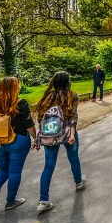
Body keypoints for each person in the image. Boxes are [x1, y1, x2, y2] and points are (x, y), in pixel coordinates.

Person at [35, 72, 86, 213]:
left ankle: (43, 200)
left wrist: (39, 137)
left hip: (50, 134)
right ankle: (78, 182)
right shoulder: (72, 95)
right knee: (73, 158)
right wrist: (72, 133)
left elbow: (41, 119)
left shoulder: (47, 97)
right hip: (67, 131)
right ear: (67, 82)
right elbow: (73, 117)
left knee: (48, 166)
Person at [0, 77, 36, 212]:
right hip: (17, 140)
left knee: (4, 169)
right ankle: (10, 201)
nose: (19, 87)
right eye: (18, 85)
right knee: (14, 171)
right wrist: (36, 138)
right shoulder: (19, 103)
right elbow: (29, 125)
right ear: (14, 87)